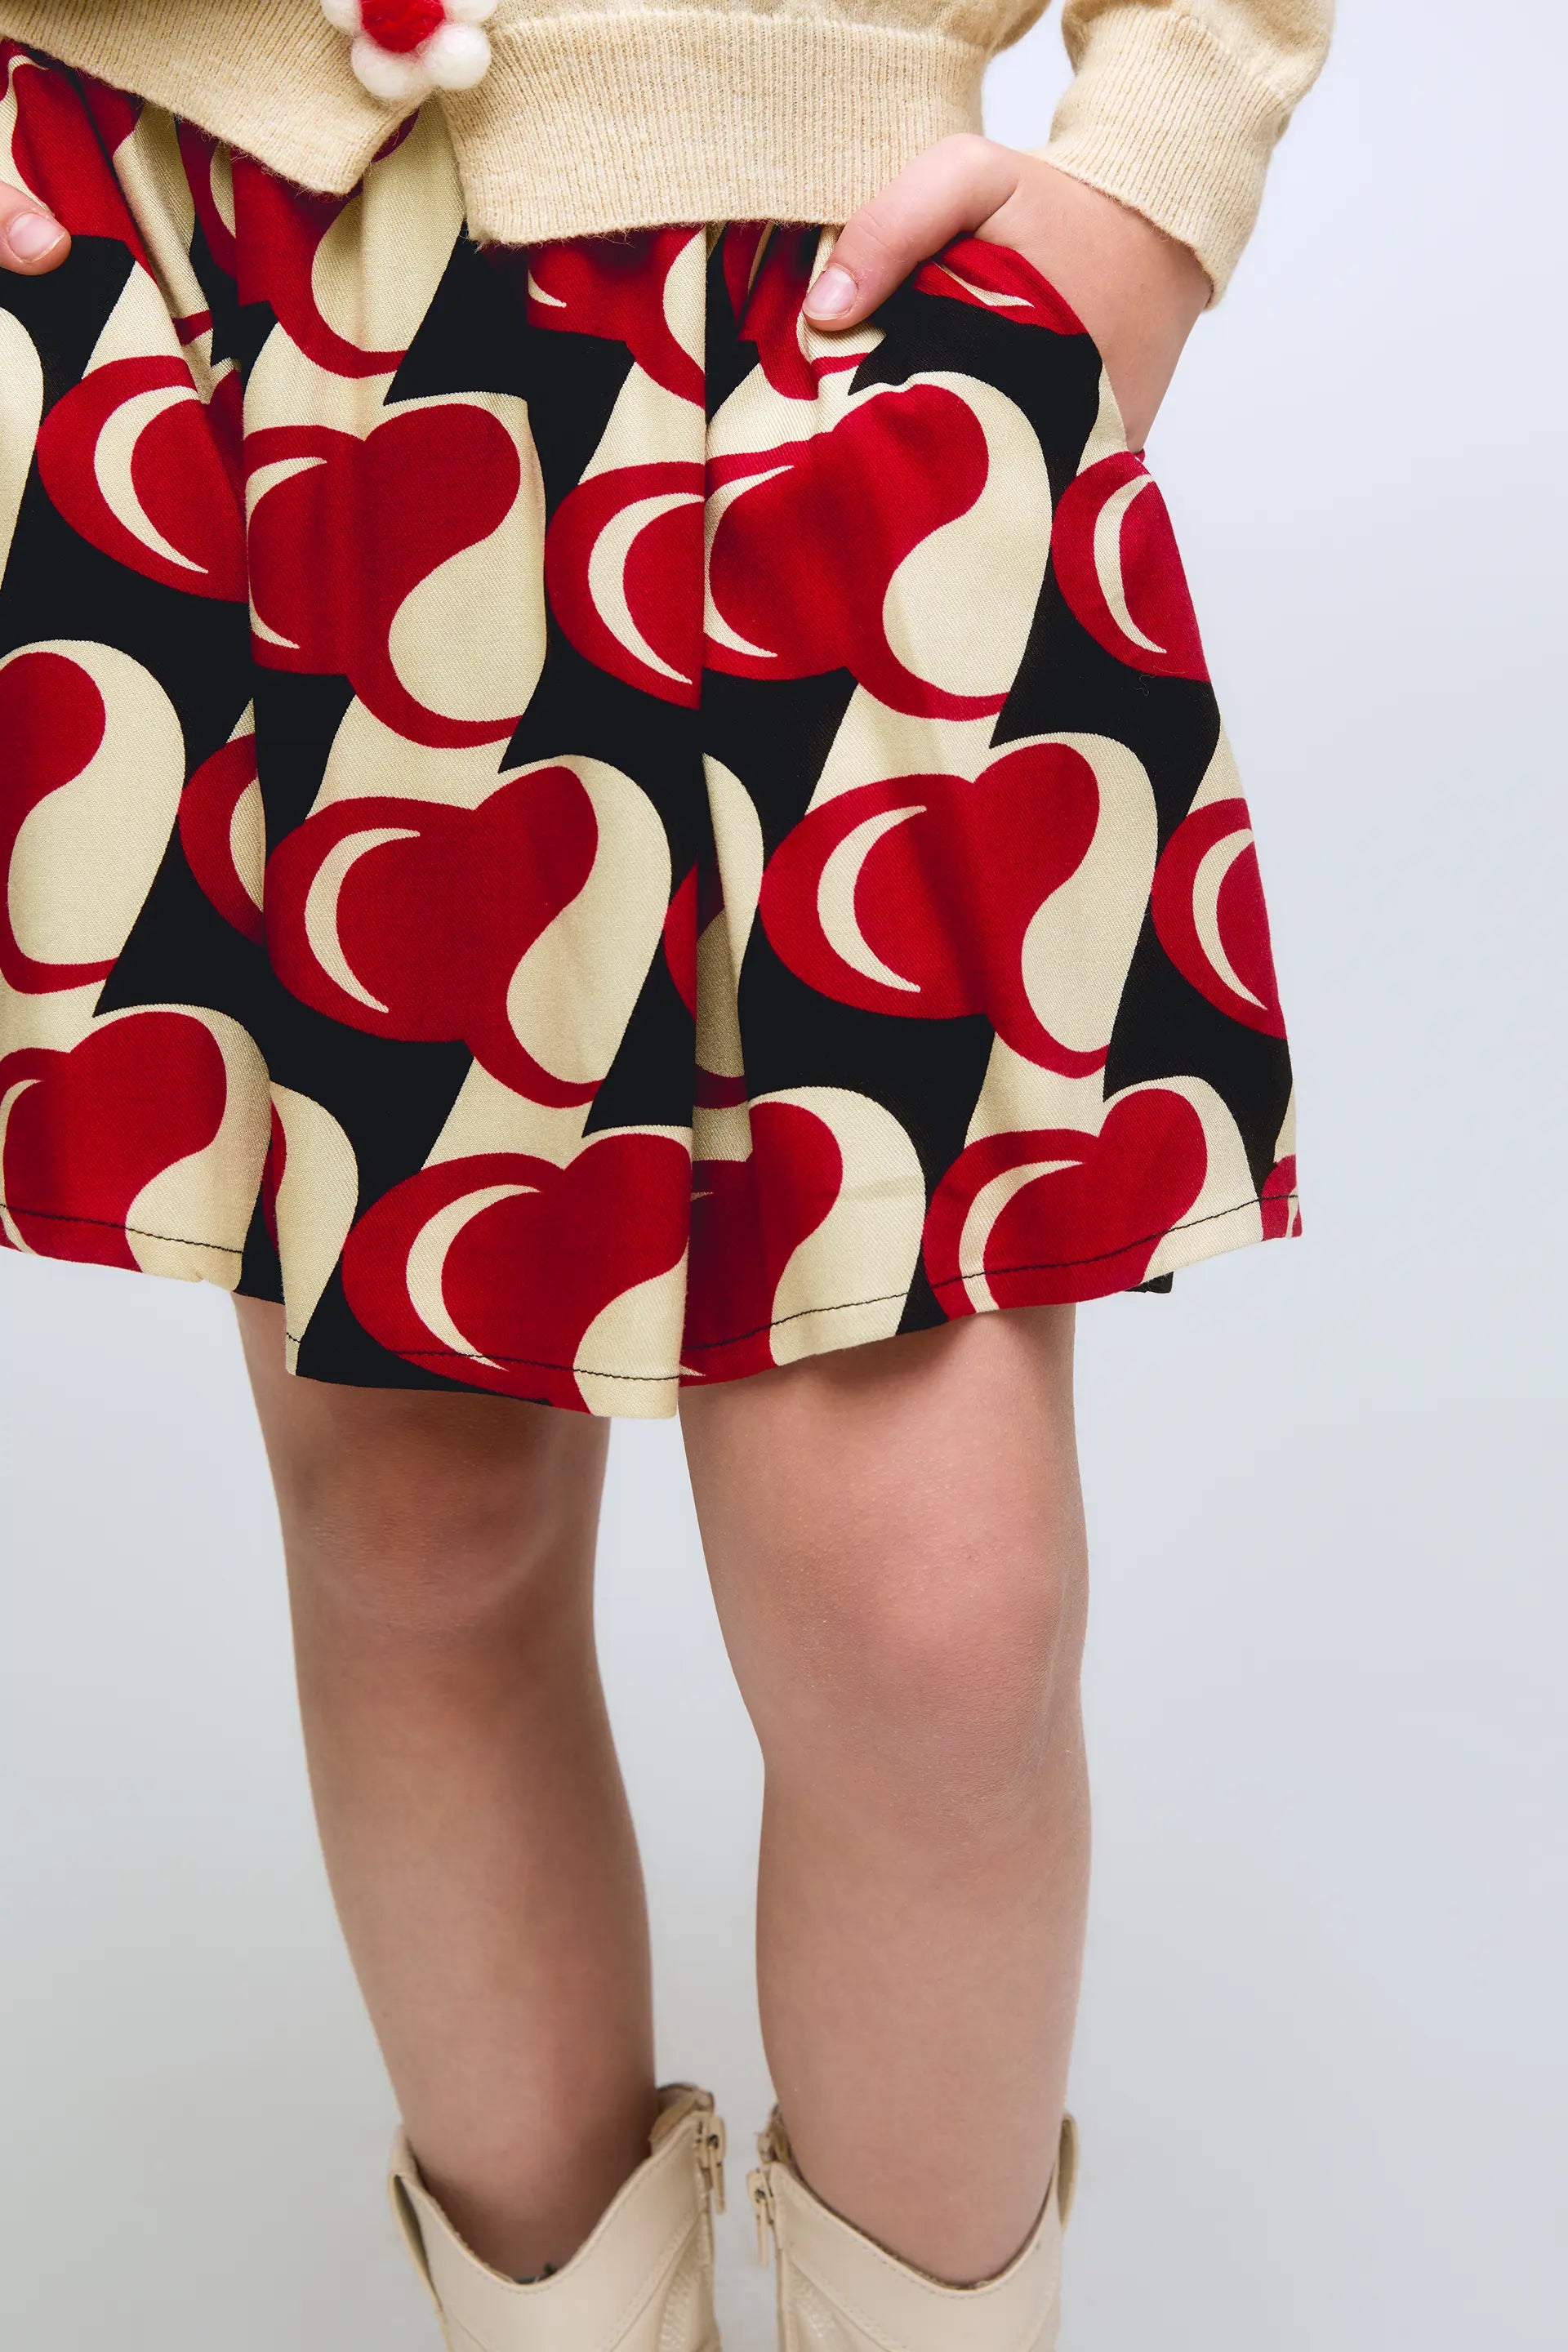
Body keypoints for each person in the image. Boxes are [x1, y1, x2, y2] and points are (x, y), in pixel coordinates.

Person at [0, 2, 1329, 2345]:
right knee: (420, 1542)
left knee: (938, 1639)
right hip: (274, 313)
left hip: (841, 328)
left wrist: (1140, 185)